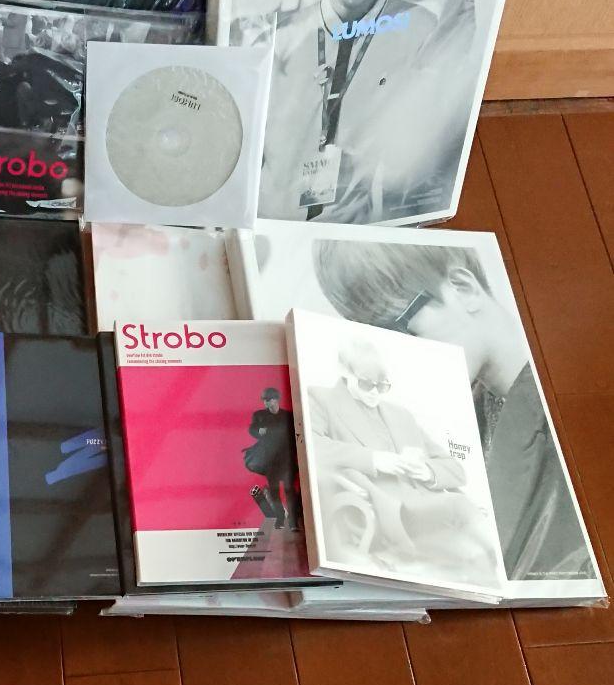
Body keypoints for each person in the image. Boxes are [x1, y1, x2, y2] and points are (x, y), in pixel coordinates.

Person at [312, 238, 595, 581]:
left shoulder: (575, 412)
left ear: (464, 289)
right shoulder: (465, 416)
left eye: (399, 327)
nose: (396, 350)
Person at [259, 0, 444, 224]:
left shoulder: (421, 31)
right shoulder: (283, 37)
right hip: (272, 223)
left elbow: (422, 151)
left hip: (361, 227)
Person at [309, 337, 501, 579]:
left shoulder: (401, 416)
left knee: (476, 551)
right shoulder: (320, 399)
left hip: (430, 505)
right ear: (345, 372)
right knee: (463, 513)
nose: (375, 393)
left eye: (383, 386)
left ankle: (491, 577)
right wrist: (374, 459)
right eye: (367, 384)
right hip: (390, 512)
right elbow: (312, 444)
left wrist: (427, 471)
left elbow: (456, 470)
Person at [247, 386, 299, 531]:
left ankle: (293, 522)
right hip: (270, 461)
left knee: (289, 490)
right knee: (274, 491)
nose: (266, 402)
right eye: (264, 400)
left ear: (276, 400)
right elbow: (251, 429)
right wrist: (258, 431)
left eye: (269, 399)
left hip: (286, 460)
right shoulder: (260, 415)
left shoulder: (288, 416)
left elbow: (297, 433)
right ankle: (280, 519)